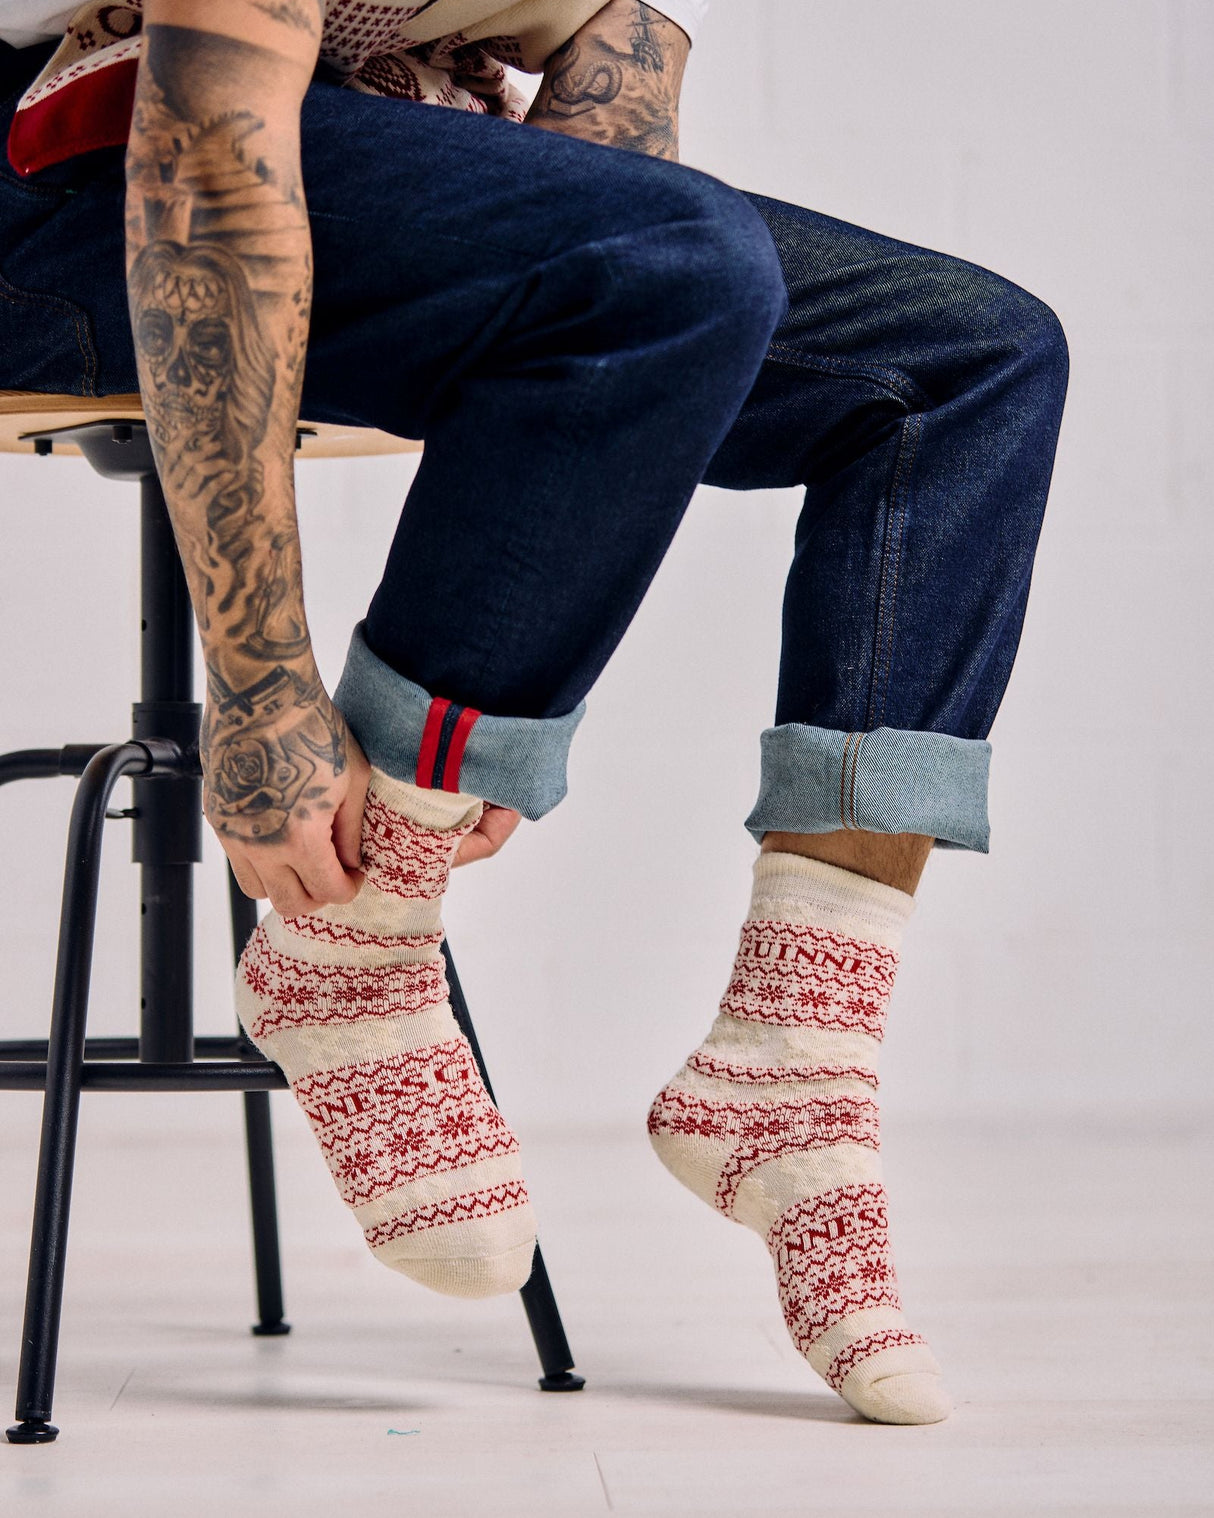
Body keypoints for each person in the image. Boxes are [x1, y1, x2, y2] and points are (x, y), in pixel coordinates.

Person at [0, 0, 1069, 1427]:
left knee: (966, 357)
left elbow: (620, 119)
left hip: (359, 153)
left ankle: (795, 1060)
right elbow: (201, 184)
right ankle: (348, 944)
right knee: (669, 262)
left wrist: (500, 667)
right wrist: (259, 689)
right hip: (70, 186)